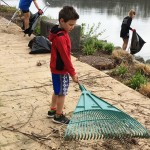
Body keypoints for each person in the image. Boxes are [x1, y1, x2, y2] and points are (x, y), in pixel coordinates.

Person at [47, 6, 79, 124]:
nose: (73, 27)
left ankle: (52, 110)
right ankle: (58, 116)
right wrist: (72, 73)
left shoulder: (59, 32)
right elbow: (65, 57)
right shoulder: (61, 37)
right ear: (62, 21)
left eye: (74, 24)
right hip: (61, 69)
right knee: (62, 93)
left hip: (56, 68)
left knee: (57, 90)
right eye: (70, 24)